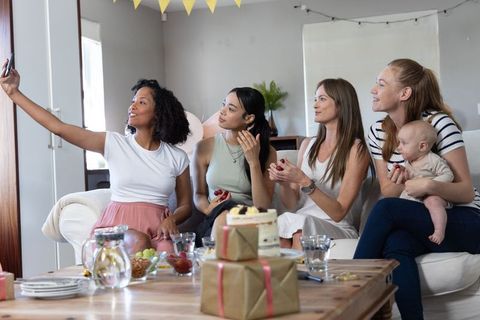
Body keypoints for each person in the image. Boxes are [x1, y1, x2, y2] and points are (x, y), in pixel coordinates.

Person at [0, 63, 192, 255]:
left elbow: (185, 205)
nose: (132, 106)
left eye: (142, 102)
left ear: (159, 113)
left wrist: (172, 219)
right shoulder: (114, 143)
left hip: (159, 231)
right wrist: (14, 93)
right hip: (117, 231)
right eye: (133, 101)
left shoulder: (176, 157)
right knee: (140, 242)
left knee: (170, 261)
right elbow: (58, 127)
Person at [353, 58, 480, 319]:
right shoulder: (378, 132)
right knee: (396, 243)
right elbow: (388, 192)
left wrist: (429, 184)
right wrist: (400, 184)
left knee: (386, 210)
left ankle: (350, 290)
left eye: (381, 83)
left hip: (466, 219)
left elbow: (466, 191)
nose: (372, 90)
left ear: (404, 93)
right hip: (422, 218)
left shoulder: (437, 125)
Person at [268, 78, 371, 250]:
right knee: (279, 232)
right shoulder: (307, 145)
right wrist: (283, 182)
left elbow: (339, 213)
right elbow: (293, 204)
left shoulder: (356, 149)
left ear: (341, 104)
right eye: (315, 99)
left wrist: (305, 182)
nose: (315, 105)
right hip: (300, 220)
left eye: (322, 99)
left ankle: (297, 276)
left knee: (299, 229)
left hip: (337, 227)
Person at [192, 87, 276, 242]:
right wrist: (207, 208)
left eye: (230, 109)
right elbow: (199, 195)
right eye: (223, 104)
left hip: (252, 221)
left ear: (249, 118)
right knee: (225, 215)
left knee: (231, 214)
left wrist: (253, 161)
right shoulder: (203, 147)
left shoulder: (267, 151)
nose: (222, 111)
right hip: (215, 218)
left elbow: (263, 207)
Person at [397, 120, 454, 245]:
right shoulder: (409, 162)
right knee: (401, 200)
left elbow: (448, 175)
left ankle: (439, 231)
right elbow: (410, 181)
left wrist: (428, 184)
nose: (398, 147)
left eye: (403, 143)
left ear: (422, 146)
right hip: (417, 197)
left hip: (434, 195)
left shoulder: (433, 159)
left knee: (432, 201)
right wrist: (403, 175)